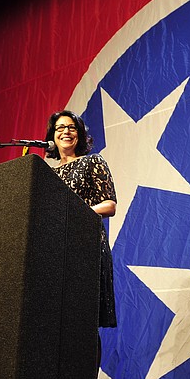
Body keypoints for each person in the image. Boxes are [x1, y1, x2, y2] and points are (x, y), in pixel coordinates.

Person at [44, 110, 118, 341]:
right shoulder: (47, 174)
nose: (66, 132)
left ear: (80, 134)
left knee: (84, 324)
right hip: (57, 251)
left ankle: (85, 378)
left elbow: (109, 205)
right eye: (60, 128)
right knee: (58, 324)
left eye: (71, 127)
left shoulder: (92, 162)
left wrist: (76, 213)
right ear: (52, 137)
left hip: (86, 247)